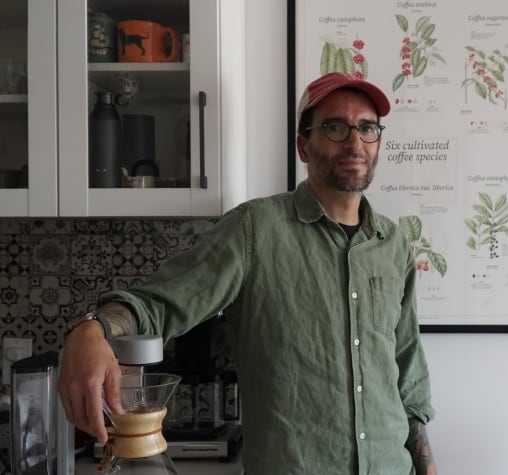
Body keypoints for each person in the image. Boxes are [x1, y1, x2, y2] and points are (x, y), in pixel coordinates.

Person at [58, 72, 437, 475]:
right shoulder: (254, 229)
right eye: (335, 127)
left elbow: (406, 368)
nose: (354, 141)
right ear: (303, 146)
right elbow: (160, 303)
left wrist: (426, 463)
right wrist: (92, 329)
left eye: (367, 128)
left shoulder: (393, 244)